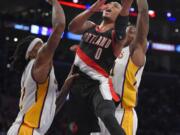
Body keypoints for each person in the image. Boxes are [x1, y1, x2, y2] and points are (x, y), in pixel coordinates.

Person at [66, 0, 134, 134]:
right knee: (82, 129)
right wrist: (92, 8)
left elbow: (121, 25)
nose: (110, 6)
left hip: (97, 85)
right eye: (109, 4)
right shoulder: (90, 26)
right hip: (77, 85)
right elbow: (72, 28)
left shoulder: (118, 35)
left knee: (107, 116)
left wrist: (126, 5)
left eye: (115, 6)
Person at [7, 0, 66, 134]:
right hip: (25, 130)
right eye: (40, 47)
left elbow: (53, 105)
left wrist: (70, 80)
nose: (45, 48)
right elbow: (60, 26)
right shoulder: (36, 63)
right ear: (32, 54)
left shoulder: (39, 74)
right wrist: (55, 2)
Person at [91, 0, 149, 134]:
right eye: (131, 30)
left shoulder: (135, 52)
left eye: (136, 32)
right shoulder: (110, 49)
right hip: (102, 110)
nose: (134, 33)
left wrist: (140, 5)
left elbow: (143, 14)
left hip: (121, 113)